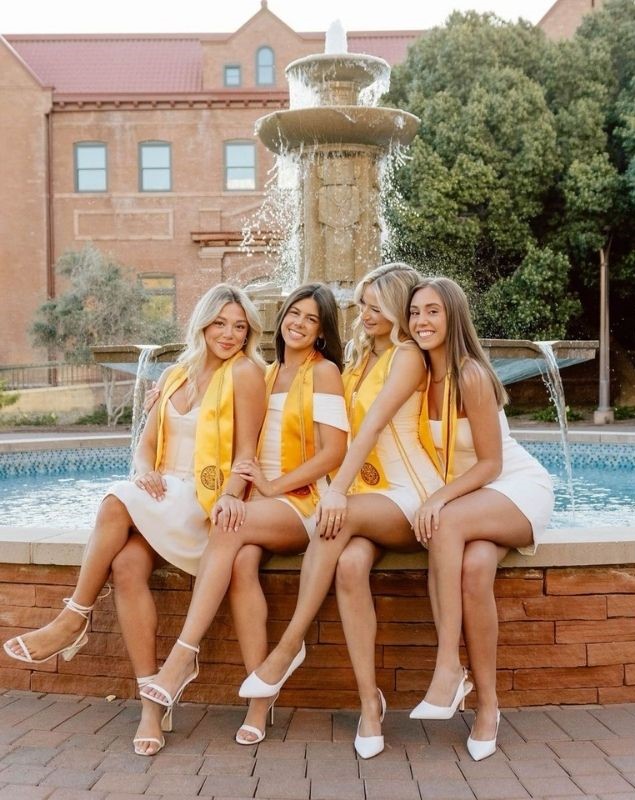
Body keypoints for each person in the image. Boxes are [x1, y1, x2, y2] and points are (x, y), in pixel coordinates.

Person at [3, 283, 267, 757]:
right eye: (220, 323)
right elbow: (145, 448)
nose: (228, 334)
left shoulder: (245, 373)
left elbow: (247, 452)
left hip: (203, 503)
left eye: (239, 326)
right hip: (164, 492)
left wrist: (229, 496)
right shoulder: (175, 375)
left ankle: (72, 618)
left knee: (111, 503)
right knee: (125, 566)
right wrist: (146, 475)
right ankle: (152, 706)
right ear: (202, 323)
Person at [238, 263, 444, 759]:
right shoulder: (354, 363)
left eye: (376, 305)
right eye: (362, 304)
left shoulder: (408, 356)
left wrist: (335, 492)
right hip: (365, 496)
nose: (366, 313)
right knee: (349, 566)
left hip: (407, 493)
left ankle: (287, 648)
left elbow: (370, 428)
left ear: (395, 308)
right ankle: (370, 704)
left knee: (335, 519)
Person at [140, 283, 349, 749]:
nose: (298, 323)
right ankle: (261, 698)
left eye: (311, 319)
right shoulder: (263, 372)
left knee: (228, 523)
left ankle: (182, 656)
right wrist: (166, 396)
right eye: (294, 313)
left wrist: (275, 484)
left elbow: (336, 451)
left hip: (302, 502)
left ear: (322, 331)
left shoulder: (327, 372)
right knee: (239, 564)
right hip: (257, 502)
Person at [407, 276, 554, 760]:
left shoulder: (470, 374)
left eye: (432, 311)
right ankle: (488, 705)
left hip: (512, 488)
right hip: (473, 502)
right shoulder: (417, 378)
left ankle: (448, 666)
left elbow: (491, 462)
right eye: (414, 312)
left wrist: (437, 500)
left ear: (452, 318)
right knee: (472, 570)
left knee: (443, 523)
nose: (421, 321)